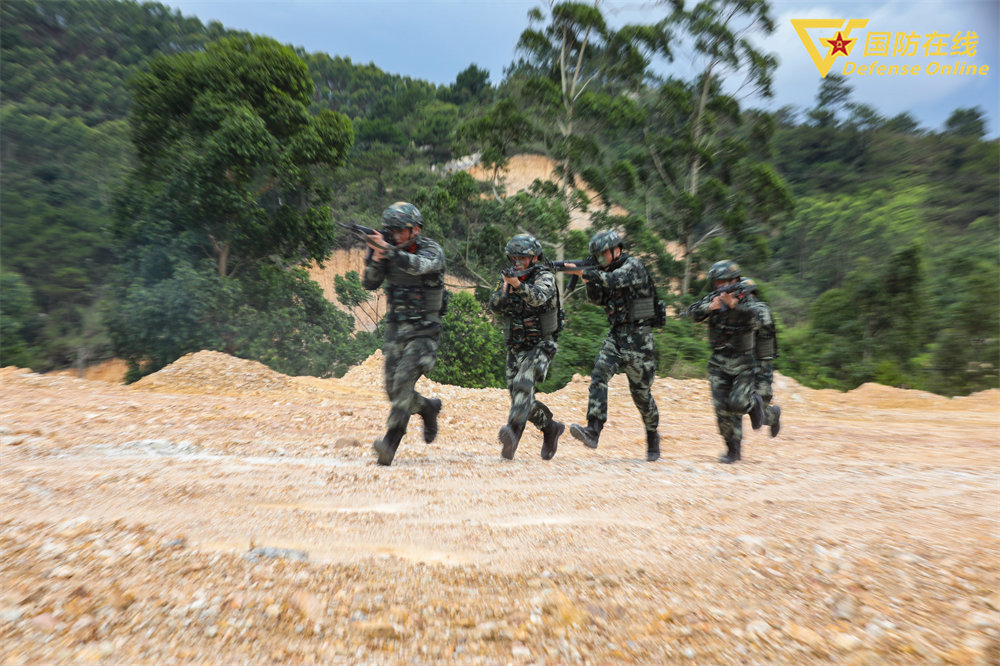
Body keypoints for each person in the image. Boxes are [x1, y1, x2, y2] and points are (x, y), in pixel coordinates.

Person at [564, 230, 661, 462]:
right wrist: (587, 279)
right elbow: (597, 299)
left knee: (641, 394)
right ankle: (593, 430)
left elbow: (615, 280)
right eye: (597, 256)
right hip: (617, 335)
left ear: (617, 250)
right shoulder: (603, 271)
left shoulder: (634, 266)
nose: (601, 260)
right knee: (599, 374)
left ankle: (652, 434)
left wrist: (585, 273)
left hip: (639, 339)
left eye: (604, 255)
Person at [363, 202, 446, 466]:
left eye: (400, 231)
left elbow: (418, 266)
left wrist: (388, 250)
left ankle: (390, 444)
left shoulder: (431, 250)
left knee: (402, 382)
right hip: (396, 329)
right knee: (393, 390)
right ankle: (427, 407)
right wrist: (377, 257)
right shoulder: (387, 249)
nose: (395, 235)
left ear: (415, 230)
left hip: (425, 331)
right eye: (391, 231)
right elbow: (369, 283)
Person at [488, 234, 564, 461]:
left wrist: (518, 286)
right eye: (514, 257)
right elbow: (494, 307)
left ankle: (511, 437)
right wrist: (505, 289)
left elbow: (538, 298)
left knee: (523, 385)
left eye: (522, 257)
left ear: (534, 258)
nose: (517, 261)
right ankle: (550, 428)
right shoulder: (508, 277)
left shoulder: (545, 277)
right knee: (520, 400)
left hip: (541, 344)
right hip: (516, 346)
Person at [686, 260, 767, 463]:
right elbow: (692, 312)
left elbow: (759, 318)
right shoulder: (714, 297)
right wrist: (709, 307)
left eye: (723, 281)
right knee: (722, 410)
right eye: (717, 282)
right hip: (719, 362)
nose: (720, 286)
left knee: (737, 404)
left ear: (734, 280)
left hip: (744, 362)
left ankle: (753, 403)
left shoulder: (747, 299)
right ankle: (732, 449)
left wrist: (735, 306)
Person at [740, 278, 781, 437]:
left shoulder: (761, 309)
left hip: (762, 365)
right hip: (743, 364)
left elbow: (756, 322)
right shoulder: (738, 311)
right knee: (739, 402)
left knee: (760, 410)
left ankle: (774, 416)